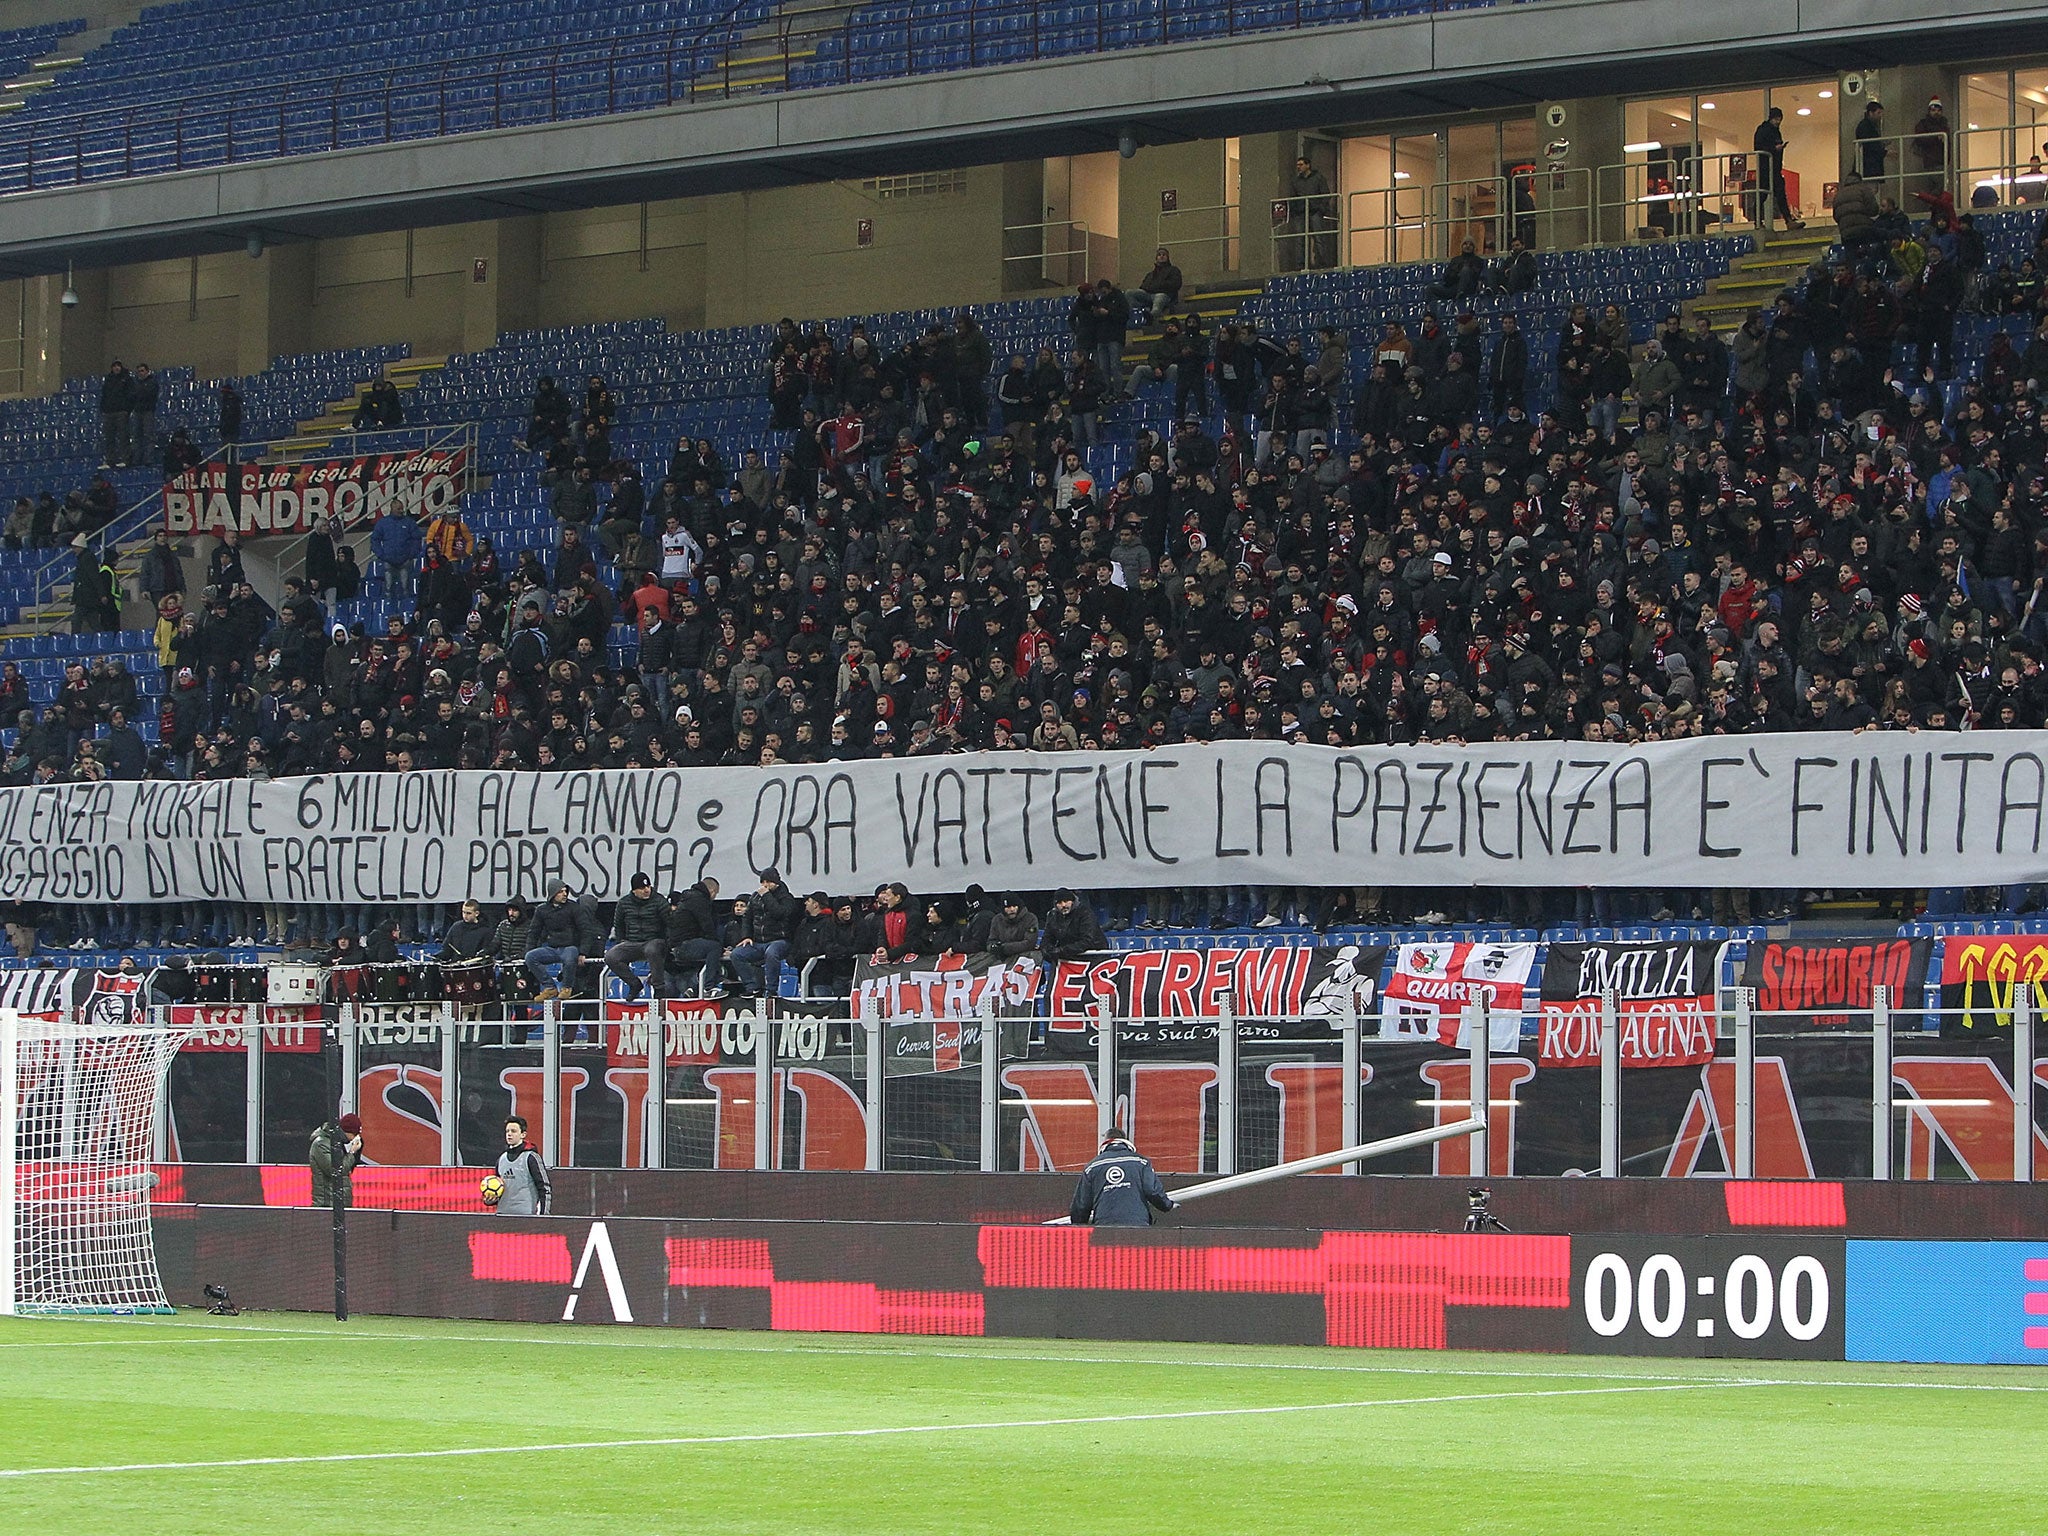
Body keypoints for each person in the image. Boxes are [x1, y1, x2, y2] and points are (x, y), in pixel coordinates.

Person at [1069, 1129, 1177, 1227]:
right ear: (1126, 1142)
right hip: (1137, 1223)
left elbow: (1081, 1205)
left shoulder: (1092, 1167)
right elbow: (1152, 1191)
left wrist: (1079, 1227)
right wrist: (1167, 1205)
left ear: (1105, 1143)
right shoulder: (1141, 1162)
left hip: (1104, 1226)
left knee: (1107, 1249)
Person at [603, 870, 669, 999]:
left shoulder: (659, 901)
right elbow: (619, 925)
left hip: (654, 940)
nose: (646, 890)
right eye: (642, 888)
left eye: (648, 886)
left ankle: (659, 988)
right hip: (632, 942)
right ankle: (634, 984)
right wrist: (621, 942)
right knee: (611, 956)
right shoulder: (623, 903)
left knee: (652, 949)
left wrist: (667, 942)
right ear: (634, 890)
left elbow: (669, 923)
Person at [525, 882, 583, 1001]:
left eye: (565, 891)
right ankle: (550, 988)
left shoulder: (574, 908)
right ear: (553, 893)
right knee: (530, 957)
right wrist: (529, 949)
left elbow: (585, 930)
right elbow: (534, 932)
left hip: (569, 946)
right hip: (552, 948)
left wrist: (583, 952)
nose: (565, 894)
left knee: (570, 956)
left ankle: (566, 988)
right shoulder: (541, 910)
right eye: (561, 892)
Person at [1751, 107, 1803, 232]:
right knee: (1765, 195)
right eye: (1777, 119)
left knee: (1776, 195)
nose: (1778, 121)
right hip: (1766, 168)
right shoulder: (1765, 131)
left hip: (1773, 168)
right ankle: (1763, 221)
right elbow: (1759, 148)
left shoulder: (1772, 131)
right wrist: (1775, 149)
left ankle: (1786, 220)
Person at [492, 1116, 551, 1217]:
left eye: (513, 1131)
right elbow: (497, 1188)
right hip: (502, 1216)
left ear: (523, 1134)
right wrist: (490, 1200)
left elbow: (544, 1188)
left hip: (526, 1217)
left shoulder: (531, 1157)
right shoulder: (501, 1159)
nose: (509, 1134)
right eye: (507, 1131)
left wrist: (544, 1216)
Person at [1289, 155, 1337, 270]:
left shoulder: (1318, 178)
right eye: (1297, 165)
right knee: (1300, 240)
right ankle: (1301, 265)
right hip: (1301, 213)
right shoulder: (1296, 181)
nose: (1298, 167)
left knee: (1318, 238)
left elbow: (1325, 194)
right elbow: (1292, 197)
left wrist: (1320, 208)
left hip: (1315, 212)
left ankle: (1322, 263)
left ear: (1308, 165)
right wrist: (1295, 210)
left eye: (1301, 165)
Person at [309, 1111, 364, 1210]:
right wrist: (351, 1152)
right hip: (327, 1204)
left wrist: (356, 1152)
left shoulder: (336, 1143)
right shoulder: (321, 1144)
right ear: (348, 1131)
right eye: (354, 1135)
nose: (354, 1139)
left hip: (338, 1203)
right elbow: (335, 1171)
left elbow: (347, 1168)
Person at [1039, 888, 1107, 962]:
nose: (1063, 905)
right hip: (1068, 958)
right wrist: (1046, 950)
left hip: (1093, 957)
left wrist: (1061, 951)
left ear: (1072, 901)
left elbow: (1087, 941)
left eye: (1066, 901)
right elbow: (1047, 938)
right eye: (1059, 903)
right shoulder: (1052, 916)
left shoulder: (1085, 913)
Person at [1136, 246, 1182, 321]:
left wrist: (1156, 287)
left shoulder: (1173, 270)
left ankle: (1150, 317)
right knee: (1130, 293)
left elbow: (1175, 284)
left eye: (1164, 254)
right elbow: (1143, 286)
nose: (1161, 256)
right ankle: (1138, 314)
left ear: (1167, 257)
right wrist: (1157, 286)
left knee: (1159, 299)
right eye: (1159, 255)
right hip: (1149, 295)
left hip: (1165, 295)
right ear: (1156, 257)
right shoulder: (1150, 274)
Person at [1854, 99, 1890, 184]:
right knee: (1871, 188)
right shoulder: (1866, 126)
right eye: (1878, 113)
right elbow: (1869, 145)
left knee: (1872, 188)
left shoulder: (1867, 126)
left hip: (1870, 165)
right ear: (1871, 113)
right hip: (1869, 165)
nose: (1880, 116)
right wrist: (1884, 152)